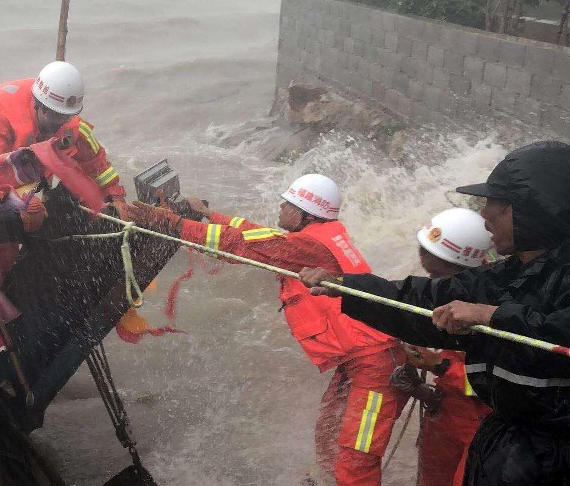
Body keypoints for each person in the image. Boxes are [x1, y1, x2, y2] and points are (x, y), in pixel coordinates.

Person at [300, 140, 570, 485]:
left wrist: (492, 316)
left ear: (533, 210)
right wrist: (348, 287)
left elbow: (558, 335)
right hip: (508, 440)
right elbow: (422, 300)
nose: (485, 213)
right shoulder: (508, 274)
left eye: (497, 204)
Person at [125, 174, 408, 486]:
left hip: (375, 367)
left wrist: (174, 224)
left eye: (288, 204)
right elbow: (262, 237)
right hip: (361, 361)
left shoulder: (309, 247)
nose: (281, 207)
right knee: (328, 436)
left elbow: (241, 244)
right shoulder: (319, 235)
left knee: (357, 456)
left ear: (306, 214)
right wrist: (211, 216)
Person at [0, 61, 126, 319]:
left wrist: (115, 197)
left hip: (15, 175)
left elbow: (96, 163)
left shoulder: (64, 120)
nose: (57, 125)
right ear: (37, 105)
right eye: (53, 117)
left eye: (64, 118)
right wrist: (21, 205)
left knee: (7, 245)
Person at [388, 208, 494, 486]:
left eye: (436, 272)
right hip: (443, 414)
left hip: (480, 425)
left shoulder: (490, 305)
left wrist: (439, 365)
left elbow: (493, 379)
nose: (431, 279)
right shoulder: (445, 289)